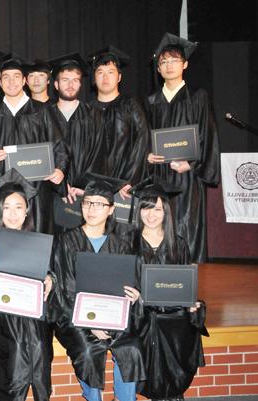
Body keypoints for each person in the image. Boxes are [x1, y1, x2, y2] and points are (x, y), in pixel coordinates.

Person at [52, 174, 145, 401]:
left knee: (130, 348)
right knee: (89, 349)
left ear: (111, 210)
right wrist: (90, 324)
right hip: (75, 319)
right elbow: (65, 289)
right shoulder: (66, 242)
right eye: (87, 203)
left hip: (114, 318)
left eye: (99, 204)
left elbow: (127, 288)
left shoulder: (121, 245)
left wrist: (135, 297)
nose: (92, 209)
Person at [0, 169, 55, 401]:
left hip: (33, 317)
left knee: (36, 341)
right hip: (1, 319)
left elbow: (51, 281)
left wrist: (51, 280)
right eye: (7, 207)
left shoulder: (38, 242)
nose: (13, 214)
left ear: (27, 211)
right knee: (18, 345)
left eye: (18, 207)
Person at [145, 33, 220, 263]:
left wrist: (192, 164)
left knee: (187, 227)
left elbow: (208, 135)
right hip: (159, 174)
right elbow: (144, 138)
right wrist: (147, 156)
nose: (169, 66)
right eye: (164, 62)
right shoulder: (151, 102)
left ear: (185, 64)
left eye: (174, 61)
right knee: (159, 224)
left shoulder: (198, 97)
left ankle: (187, 287)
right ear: (158, 68)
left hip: (187, 176)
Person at [131, 178, 207, 400]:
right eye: (146, 208)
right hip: (140, 314)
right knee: (151, 328)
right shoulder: (128, 242)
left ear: (166, 212)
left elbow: (185, 285)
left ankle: (173, 392)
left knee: (180, 325)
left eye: (157, 209)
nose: (151, 215)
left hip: (172, 314)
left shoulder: (178, 243)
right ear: (138, 210)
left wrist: (192, 303)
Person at [0, 55, 68, 234]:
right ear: (0, 82)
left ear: (24, 80)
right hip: (2, 182)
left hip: (37, 187)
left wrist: (60, 169)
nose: (11, 82)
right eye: (6, 77)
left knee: (36, 232)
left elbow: (59, 145)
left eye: (16, 76)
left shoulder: (41, 110)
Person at [88, 46, 150, 199]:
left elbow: (142, 143)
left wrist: (129, 180)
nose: (105, 78)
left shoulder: (130, 106)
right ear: (94, 78)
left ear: (119, 77)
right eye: (100, 73)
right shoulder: (87, 111)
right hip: (95, 188)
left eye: (111, 72)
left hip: (125, 187)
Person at [48, 53, 105, 195]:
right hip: (51, 190)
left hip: (83, 191)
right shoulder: (45, 115)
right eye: (65, 80)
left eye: (75, 80)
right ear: (56, 84)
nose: (70, 85)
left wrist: (85, 187)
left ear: (80, 84)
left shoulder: (93, 114)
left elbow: (98, 155)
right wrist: (59, 186)